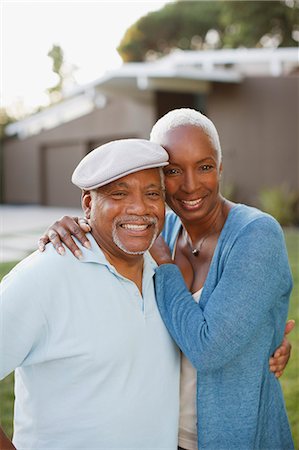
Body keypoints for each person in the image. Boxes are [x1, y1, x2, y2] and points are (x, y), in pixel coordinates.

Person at [40, 109, 295, 450]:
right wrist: (74, 225)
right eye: (174, 171)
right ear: (160, 177)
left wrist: (165, 264)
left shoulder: (255, 235)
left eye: (204, 166)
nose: (190, 185)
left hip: (235, 438)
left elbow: (209, 349)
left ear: (220, 166)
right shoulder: (163, 230)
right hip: (161, 436)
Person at [0, 139, 181, 450]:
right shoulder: (44, 276)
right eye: (119, 194)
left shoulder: (164, 274)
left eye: (152, 194)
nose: (140, 208)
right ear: (87, 204)